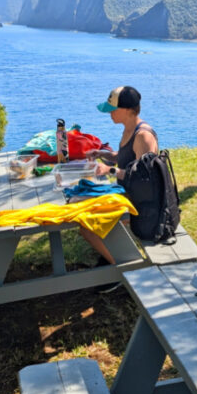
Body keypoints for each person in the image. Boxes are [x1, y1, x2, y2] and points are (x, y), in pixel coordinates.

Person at [80, 85, 158, 267]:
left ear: (129, 110)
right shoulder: (129, 129)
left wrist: (110, 170)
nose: (110, 114)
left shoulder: (143, 136)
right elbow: (126, 159)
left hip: (142, 208)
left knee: (87, 227)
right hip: (126, 195)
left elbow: (144, 178)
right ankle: (114, 257)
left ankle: (125, 267)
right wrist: (104, 154)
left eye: (113, 110)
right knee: (82, 206)